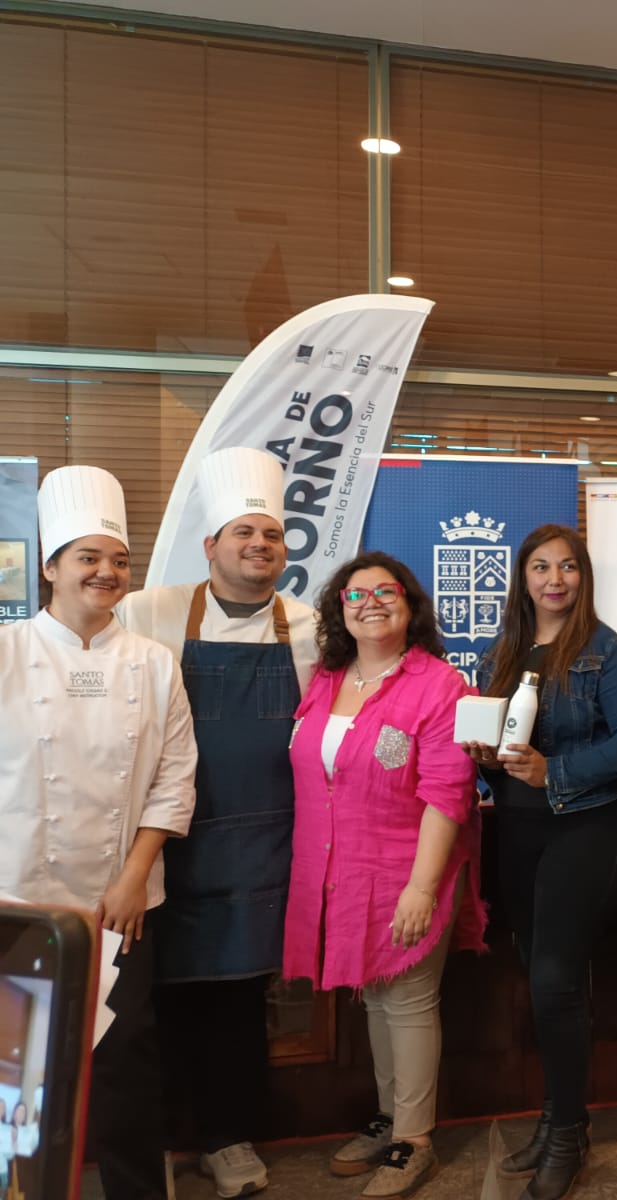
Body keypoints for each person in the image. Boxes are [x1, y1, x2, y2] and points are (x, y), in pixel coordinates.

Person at [117, 446, 318, 1197]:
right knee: (155, 999)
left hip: (261, 846)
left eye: (270, 534)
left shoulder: (308, 626)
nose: (258, 546)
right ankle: (164, 1136)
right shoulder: (150, 610)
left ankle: (230, 1138)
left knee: (237, 998)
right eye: (243, 534)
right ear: (211, 546)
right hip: (163, 842)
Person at [0, 465, 197, 1200]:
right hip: (17, 898)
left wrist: (134, 878)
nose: (107, 572)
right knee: (17, 1070)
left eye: (118, 559)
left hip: (123, 903)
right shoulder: (7, 654)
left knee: (125, 1069)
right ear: (50, 565)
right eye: (88, 557)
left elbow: (174, 777)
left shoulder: (154, 663)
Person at [283, 551, 486, 1200]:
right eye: (354, 593)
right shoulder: (327, 678)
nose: (369, 601)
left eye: (385, 591)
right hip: (340, 871)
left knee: (408, 1001)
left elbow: (447, 794)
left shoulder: (439, 685)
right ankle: (393, 1117)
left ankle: (414, 1140)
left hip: (407, 870)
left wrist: (424, 888)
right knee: (374, 997)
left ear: (411, 604)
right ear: (339, 608)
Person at [464, 525, 617, 1200]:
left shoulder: (608, 654)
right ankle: (555, 1119)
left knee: (554, 980)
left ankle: (570, 1132)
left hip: (586, 830)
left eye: (567, 566)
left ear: (582, 576)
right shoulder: (505, 650)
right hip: (517, 832)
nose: (555, 578)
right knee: (544, 980)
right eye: (541, 567)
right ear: (522, 578)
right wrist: (485, 759)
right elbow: (499, 745)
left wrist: (558, 771)